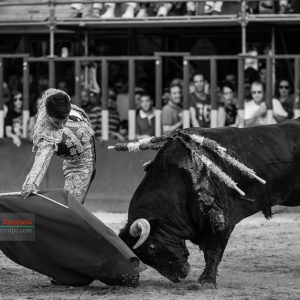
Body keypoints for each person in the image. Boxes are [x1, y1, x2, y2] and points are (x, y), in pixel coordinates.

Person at [22, 88, 96, 204]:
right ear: (49, 115)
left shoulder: (56, 99)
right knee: (70, 205)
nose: (61, 126)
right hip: (71, 153)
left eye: (64, 120)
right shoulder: (48, 130)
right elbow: (43, 157)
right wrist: (31, 183)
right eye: (57, 122)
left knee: (72, 204)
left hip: (84, 161)